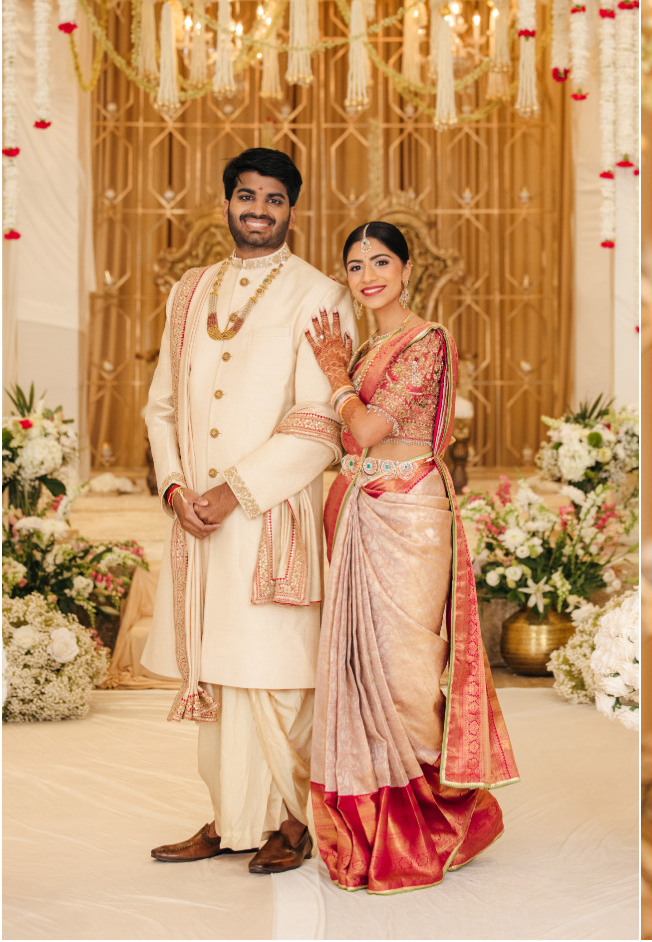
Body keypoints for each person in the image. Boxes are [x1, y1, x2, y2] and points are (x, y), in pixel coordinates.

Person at [144, 147, 354, 874]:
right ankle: (232, 818)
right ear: (228, 202)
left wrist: (232, 491)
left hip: (269, 515)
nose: (258, 210)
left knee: (275, 666)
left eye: (273, 199)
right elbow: (161, 406)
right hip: (196, 520)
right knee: (220, 668)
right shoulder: (189, 291)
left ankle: (291, 821)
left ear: (291, 209)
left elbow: (320, 421)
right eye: (246, 196)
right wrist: (176, 489)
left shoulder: (321, 293)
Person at [301, 221, 518, 893]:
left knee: (407, 674)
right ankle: (373, 824)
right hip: (360, 507)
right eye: (355, 264)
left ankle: (431, 818)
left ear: (406, 268)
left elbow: (367, 427)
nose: (368, 275)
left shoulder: (427, 340)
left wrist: (335, 377)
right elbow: (351, 439)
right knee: (357, 669)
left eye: (380, 262)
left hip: (409, 515)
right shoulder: (367, 348)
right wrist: (344, 375)